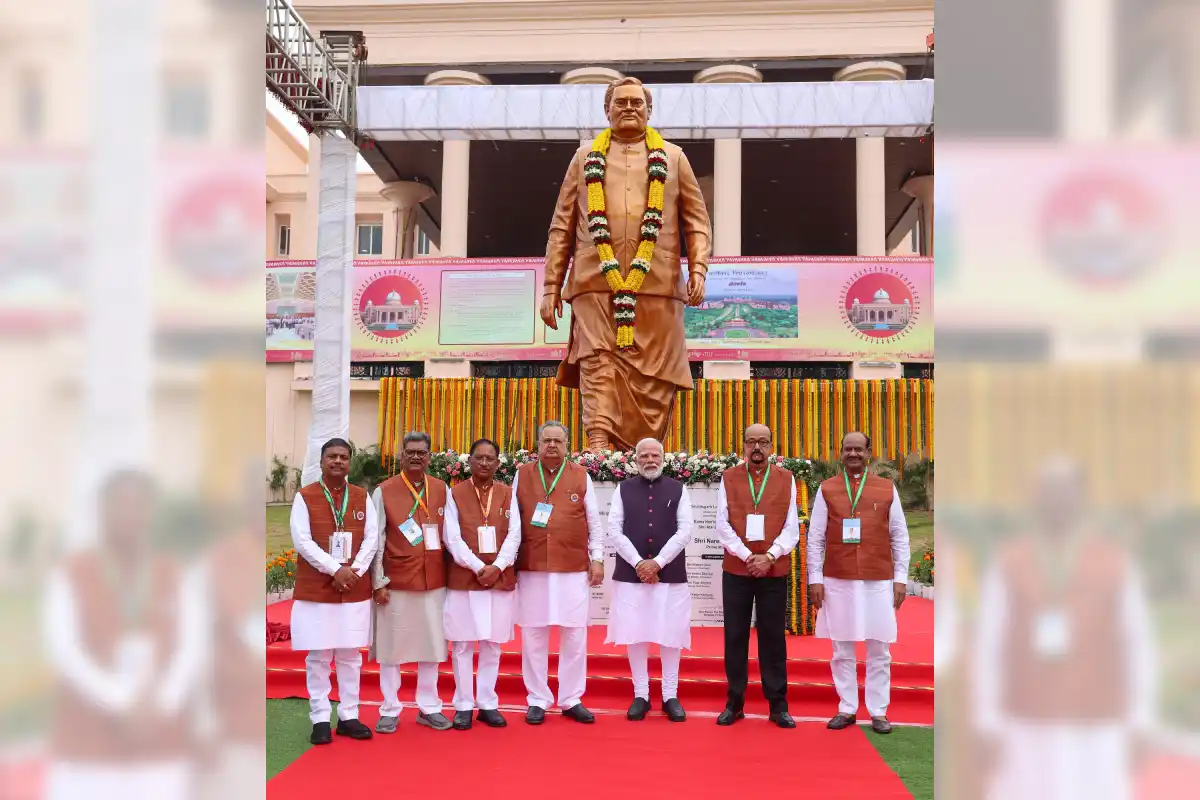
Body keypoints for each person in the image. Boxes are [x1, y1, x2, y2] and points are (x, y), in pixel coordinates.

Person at [540, 76, 711, 452]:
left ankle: (646, 453)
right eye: (622, 102)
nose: (630, 108)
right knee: (596, 360)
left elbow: (697, 222)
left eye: (637, 103)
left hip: (658, 284)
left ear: (650, 111)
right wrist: (551, 286)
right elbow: (561, 227)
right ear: (607, 110)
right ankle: (598, 444)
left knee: (655, 378)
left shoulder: (674, 158)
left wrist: (698, 268)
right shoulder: (584, 158)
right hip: (594, 281)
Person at [973, 457, 1156, 800]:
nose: (1058, 501)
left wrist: (1141, 718)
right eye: (1050, 492)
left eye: (1066, 491)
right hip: (1026, 718)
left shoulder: (1115, 562)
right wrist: (987, 718)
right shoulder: (1009, 561)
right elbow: (990, 644)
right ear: (1037, 499)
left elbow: (1137, 643)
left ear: (1082, 499)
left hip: (1097, 718)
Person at [44, 470, 206, 798]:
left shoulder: (175, 574)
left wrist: (162, 702)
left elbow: (192, 647)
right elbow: (65, 651)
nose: (128, 513)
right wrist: (120, 701)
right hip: (88, 744)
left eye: (138, 504)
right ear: (101, 511)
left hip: (160, 742)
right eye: (119, 503)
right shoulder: (71, 574)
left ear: (151, 512)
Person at [807, 431, 910, 735]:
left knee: (879, 648)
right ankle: (847, 707)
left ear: (868, 453)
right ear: (841, 453)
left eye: (858, 449)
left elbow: (900, 536)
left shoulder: (886, 488)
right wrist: (815, 579)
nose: (853, 454)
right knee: (842, 648)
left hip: (877, 580)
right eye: (847, 449)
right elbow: (815, 538)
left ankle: (878, 711)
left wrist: (900, 578)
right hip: (838, 580)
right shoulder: (827, 488)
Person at [509, 420, 605, 724]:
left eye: (557, 441)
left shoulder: (581, 475)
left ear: (567, 446)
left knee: (574, 635)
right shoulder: (522, 474)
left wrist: (598, 558)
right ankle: (537, 698)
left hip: (572, 567)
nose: (552, 445)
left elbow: (594, 522)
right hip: (533, 566)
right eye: (546, 441)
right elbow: (513, 522)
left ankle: (571, 698)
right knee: (533, 635)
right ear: (538, 445)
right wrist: (509, 562)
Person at [289, 439, 380, 744]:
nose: (338, 461)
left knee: (350, 655)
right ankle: (319, 719)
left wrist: (354, 570)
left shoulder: (361, 496)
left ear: (349, 462)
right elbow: (302, 541)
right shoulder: (305, 496)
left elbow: (371, 538)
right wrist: (335, 569)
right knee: (318, 655)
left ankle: (349, 715)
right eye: (332, 456)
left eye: (343, 457)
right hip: (318, 588)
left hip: (353, 588)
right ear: (322, 461)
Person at [715, 424, 801, 728]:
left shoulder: (786, 478)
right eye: (751, 442)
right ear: (743, 446)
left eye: (763, 442)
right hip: (737, 570)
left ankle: (778, 705)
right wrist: (747, 556)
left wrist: (770, 556)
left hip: (773, 570)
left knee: (773, 637)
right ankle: (734, 703)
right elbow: (722, 524)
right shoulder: (729, 477)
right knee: (735, 636)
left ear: (771, 446)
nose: (757, 448)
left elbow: (792, 526)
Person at [605, 438, 693, 722]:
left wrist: (658, 562)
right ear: (636, 459)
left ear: (663, 458)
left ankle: (670, 695)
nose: (650, 460)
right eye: (644, 455)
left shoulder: (678, 489)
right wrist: (639, 563)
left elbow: (685, 530)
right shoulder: (623, 489)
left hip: (671, 574)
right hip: (631, 575)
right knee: (635, 632)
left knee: (671, 633)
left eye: (655, 455)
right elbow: (614, 529)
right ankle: (641, 694)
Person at [370, 431, 452, 732]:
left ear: (430, 457)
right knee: (391, 647)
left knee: (432, 646)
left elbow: (451, 537)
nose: (416, 457)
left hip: (434, 581)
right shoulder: (384, 491)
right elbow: (376, 539)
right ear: (401, 455)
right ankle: (390, 708)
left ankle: (429, 707)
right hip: (396, 581)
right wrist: (378, 581)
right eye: (410, 452)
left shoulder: (442, 489)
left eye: (422, 452)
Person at [442, 438, 522, 730]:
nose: (485, 463)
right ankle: (463, 704)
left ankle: (488, 703)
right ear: (470, 461)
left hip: (498, 580)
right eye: (479, 458)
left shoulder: (508, 494)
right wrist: (479, 567)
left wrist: (497, 567)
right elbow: (451, 538)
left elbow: (515, 535)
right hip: (465, 579)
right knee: (462, 644)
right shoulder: (454, 493)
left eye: (490, 458)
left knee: (492, 643)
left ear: (498, 463)